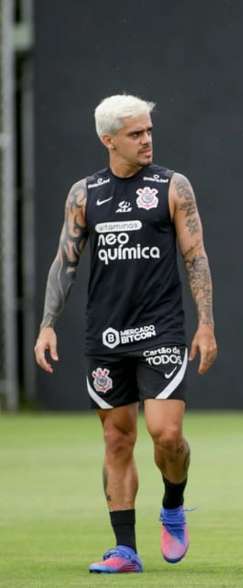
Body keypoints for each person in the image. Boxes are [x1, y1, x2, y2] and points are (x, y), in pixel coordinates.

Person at [33, 94, 217, 574]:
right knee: (117, 440)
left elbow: (195, 258)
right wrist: (47, 325)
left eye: (149, 131)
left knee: (166, 434)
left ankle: (173, 505)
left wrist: (206, 324)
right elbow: (65, 261)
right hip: (106, 337)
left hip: (161, 330)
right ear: (107, 139)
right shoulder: (84, 194)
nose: (147, 140)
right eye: (136, 134)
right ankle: (125, 550)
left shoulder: (173, 187)